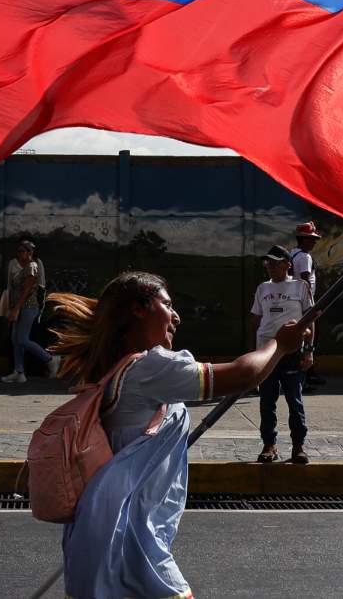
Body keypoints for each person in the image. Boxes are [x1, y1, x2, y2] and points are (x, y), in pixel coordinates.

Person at [49, 272, 316, 599]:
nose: (176, 316)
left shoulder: (115, 371)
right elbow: (243, 375)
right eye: (167, 305)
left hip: (105, 535)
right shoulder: (150, 368)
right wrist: (279, 344)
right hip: (132, 543)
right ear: (139, 309)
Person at [251, 245, 316, 463]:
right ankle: (269, 445)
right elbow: (257, 319)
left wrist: (309, 350)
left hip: (291, 351)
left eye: (274, 262)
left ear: (287, 265)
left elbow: (310, 319)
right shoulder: (262, 288)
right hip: (266, 352)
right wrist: (258, 350)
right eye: (267, 262)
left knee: (294, 400)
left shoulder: (300, 286)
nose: (269, 266)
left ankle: (299, 446)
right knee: (266, 401)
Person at [3, 240, 57, 384]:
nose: (19, 253)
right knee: (15, 340)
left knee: (22, 339)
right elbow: (11, 288)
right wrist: (10, 307)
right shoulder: (16, 265)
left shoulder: (32, 266)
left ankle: (50, 360)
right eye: (18, 251)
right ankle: (19, 372)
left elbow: (27, 290)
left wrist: (16, 309)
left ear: (30, 253)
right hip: (18, 307)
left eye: (23, 251)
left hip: (28, 307)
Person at [290, 221, 327, 389]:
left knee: (302, 338)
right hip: (306, 303)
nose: (314, 242)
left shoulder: (293, 253)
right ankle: (304, 378)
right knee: (308, 339)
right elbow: (305, 280)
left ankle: (308, 375)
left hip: (294, 301)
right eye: (311, 239)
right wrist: (312, 306)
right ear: (302, 239)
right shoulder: (304, 257)